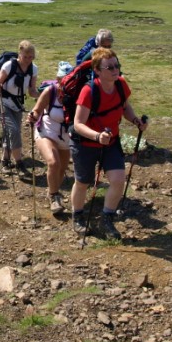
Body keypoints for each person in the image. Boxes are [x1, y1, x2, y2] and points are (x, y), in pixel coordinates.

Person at [69, 48, 147, 239]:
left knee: (118, 179)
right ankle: (77, 216)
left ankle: (106, 219)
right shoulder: (88, 91)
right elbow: (78, 124)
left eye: (116, 65)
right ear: (97, 70)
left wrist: (136, 120)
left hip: (111, 141)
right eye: (110, 67)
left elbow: (124, 107)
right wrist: (97, 136)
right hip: (85, 144)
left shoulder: (120, 84)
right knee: (83, 182)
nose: (115, 70)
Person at [28, 61, 74, 215]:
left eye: (69, 79)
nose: (66, 82)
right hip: (46, 132)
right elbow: (37, 110)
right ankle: (54, 197)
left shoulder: (76, 94)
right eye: (63, 79)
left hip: (66, 137)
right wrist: (33, 116)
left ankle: (52, 191)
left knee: (61, 168)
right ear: (58, 78)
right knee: (54, 163)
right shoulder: (50, 91)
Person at [0, 40, 39, 177]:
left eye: (31, 57)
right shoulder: (9, 66)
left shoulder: (33, 69)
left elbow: (31, 91)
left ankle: (4, 162)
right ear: (20, 54)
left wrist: (44, 94)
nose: (28, 60)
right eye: (25, 57)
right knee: (14, 131)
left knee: (10, 133)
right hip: (2, 102)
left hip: (17, 105)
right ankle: (19, 164)